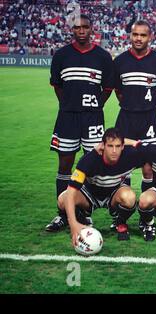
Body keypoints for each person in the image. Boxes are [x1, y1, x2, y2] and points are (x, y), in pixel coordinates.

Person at [46, 14, 114, 232]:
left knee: (91, 165)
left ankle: (84, 212)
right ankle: (62, 214)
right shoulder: (62, 55)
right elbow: (57, 86)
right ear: (72, 30)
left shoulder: (103, 56)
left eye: (85, 27)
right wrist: (69, 104)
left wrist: (93, 106)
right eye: (78, 28)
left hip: (93, 118)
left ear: (91, 29)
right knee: (65, 165)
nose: (81, 30)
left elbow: (108, 89)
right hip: (67, 117)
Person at [113, 20, 156, 228]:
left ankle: (147, 216)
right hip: (126, 118)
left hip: (149, 120)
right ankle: (122, 216)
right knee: (123, 169)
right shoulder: (119, 61)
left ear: (150, 37)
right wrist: (130, 105)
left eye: (143, 35)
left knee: (148, 168)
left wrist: (152, 107)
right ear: (130, 35)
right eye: (135, 34)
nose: (138, 38)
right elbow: (118, 91)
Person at [60, 128, 141, 245]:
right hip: (90, 195)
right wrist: (72, 224)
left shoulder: (131, 156)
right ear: (102, 145)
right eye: (110, 146)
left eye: (118, 146)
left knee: (129, 197)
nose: (114, 150)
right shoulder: (88, 160)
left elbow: (150, 152)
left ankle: (120, 222)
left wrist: (134, 143)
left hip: (114, 194)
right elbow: (71, 191)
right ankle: (82, 219)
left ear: (123, 146)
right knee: (63, 200)